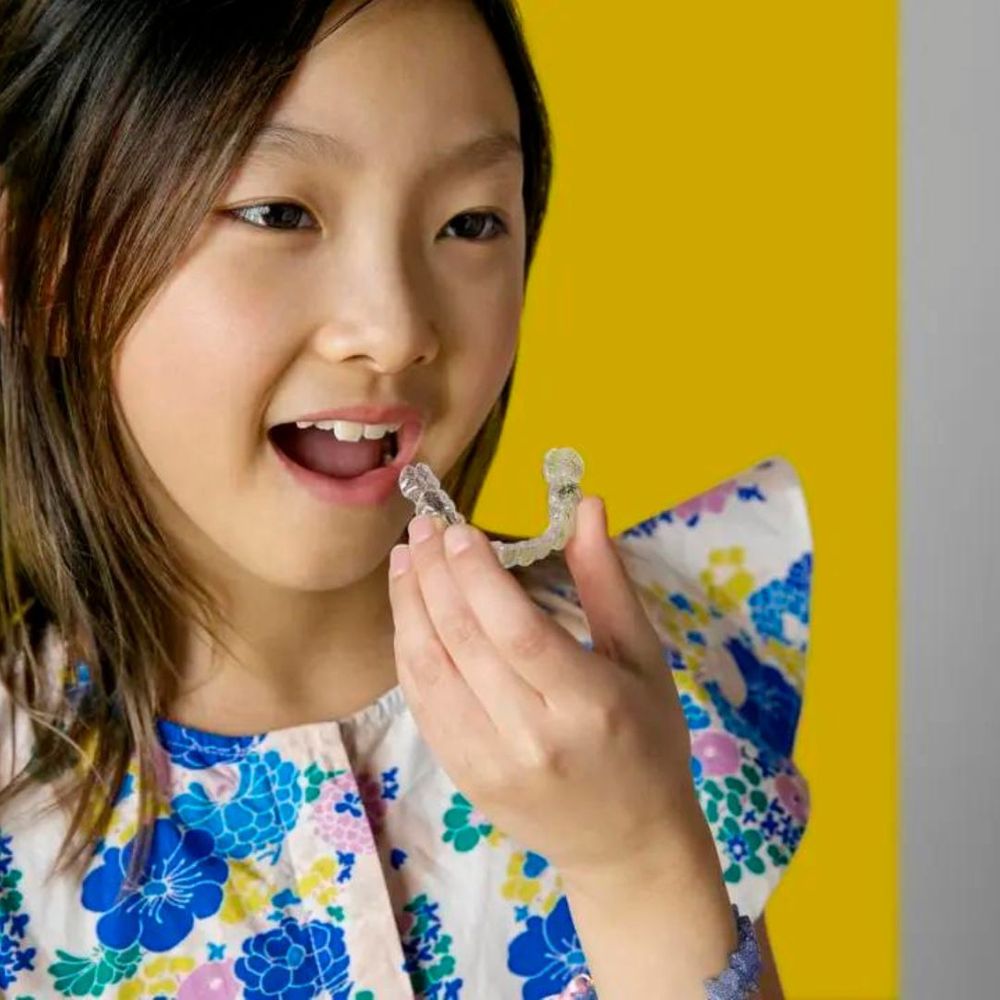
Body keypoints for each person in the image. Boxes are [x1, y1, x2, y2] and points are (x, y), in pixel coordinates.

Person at [0, 1, 812, 997]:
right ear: (45, 268)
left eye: (469, 223)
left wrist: (640, 863)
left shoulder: (626, 709)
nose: (393, 329)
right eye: (278, 213)